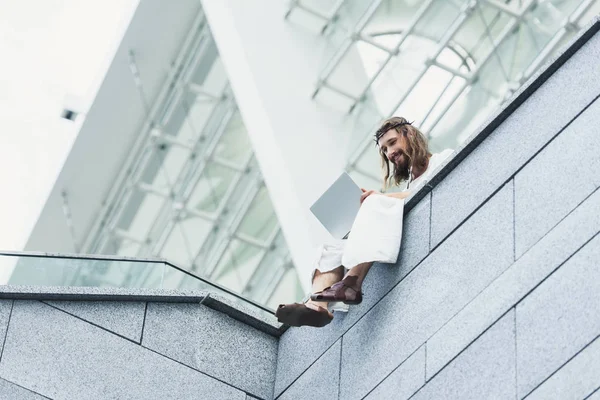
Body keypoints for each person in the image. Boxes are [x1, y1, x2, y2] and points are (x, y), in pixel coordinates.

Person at [275, 116, 453, 327]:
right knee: (331, 249)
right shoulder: (404, 189)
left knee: (375, 203)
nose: (390, 153)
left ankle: (352, 283)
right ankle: (317, 308)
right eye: (385, 149)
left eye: (392, 143)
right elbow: (405, 196)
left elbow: (429, 191)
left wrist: (378, 199)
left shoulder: (443, 158)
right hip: (388, 231)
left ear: (410, 134)